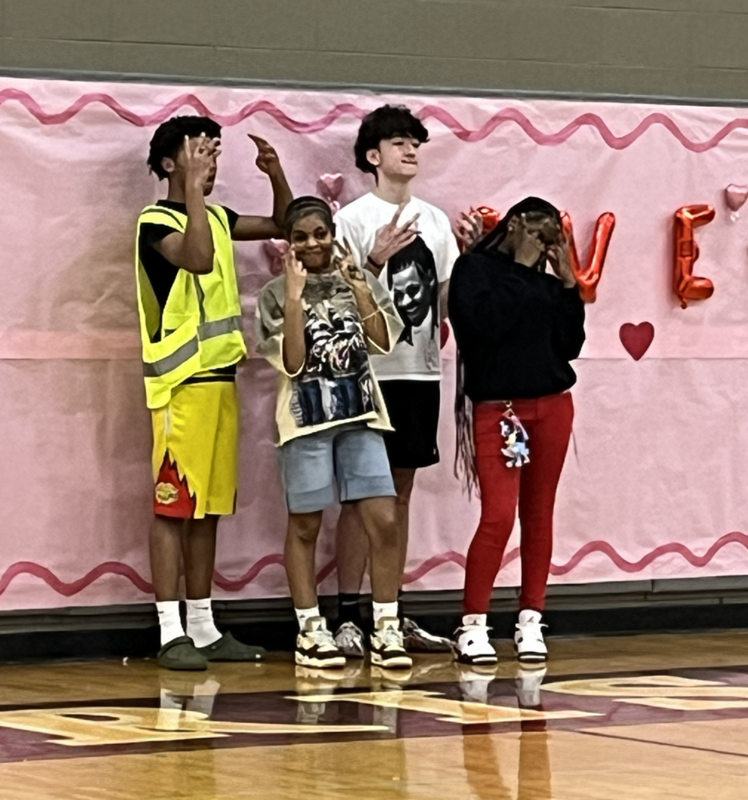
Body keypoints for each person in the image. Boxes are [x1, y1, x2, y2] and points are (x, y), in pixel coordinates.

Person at [135, 115, 292, 670]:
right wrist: (198, 197)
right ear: (170, 162)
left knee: (208, 510)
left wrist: (275, 172)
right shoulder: (154, 223)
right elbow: (197, 257)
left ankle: (202, 624)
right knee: (174, 505)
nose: (211, 160)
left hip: (221, 381)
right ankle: (168, 629)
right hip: (180, 387)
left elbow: (281, 222)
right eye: (200, 151)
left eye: (215, 151)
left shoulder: (219, 218)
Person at [256, 196, 412, 670]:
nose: (311, 244)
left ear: (333, 235)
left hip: (361, 417)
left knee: (382, 520)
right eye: (300, 237)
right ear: (289, 244)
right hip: (306, 423)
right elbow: (294, 362)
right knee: (305, 524)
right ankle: (309, 629)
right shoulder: (275, 293)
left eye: (319, 234)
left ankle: (386, 626)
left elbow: (383, 342)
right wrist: (295, 298)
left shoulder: (357, 279)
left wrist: (359, 285)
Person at [332, 105, 459, 656]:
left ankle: (391, 611)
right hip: (367, 375)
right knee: (362, 497)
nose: (410, 151)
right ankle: (345, 616)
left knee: (400, 495)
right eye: (399, 143)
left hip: (419, 373)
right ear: (372, 156)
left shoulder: (436, 220)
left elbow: (446, 299)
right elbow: (335, 301)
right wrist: (377, 260)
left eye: (416, 143)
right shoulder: (352, 219)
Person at [448, 197, 585, 666]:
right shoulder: (474, 271)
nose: (540, 242)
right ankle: (473, 624)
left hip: (552, 407)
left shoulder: (547, 285)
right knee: (499, 516)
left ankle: (531, 618)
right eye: (534, 230)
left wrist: (569, 285)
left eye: (549, 236)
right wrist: (523, 268)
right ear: (511, 226)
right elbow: (483, 329)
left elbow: (569, 345)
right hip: (500, 409)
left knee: (539, 514)